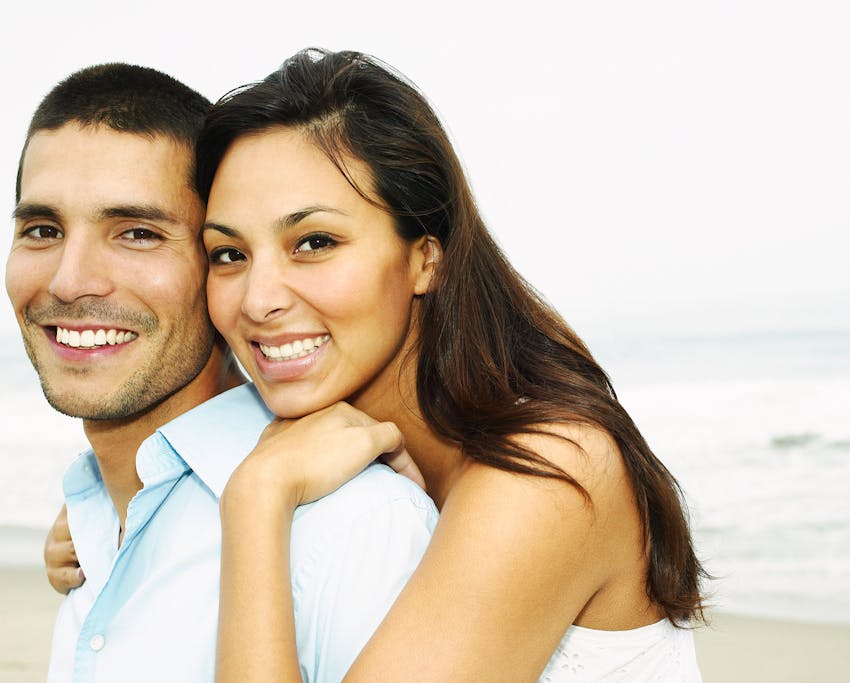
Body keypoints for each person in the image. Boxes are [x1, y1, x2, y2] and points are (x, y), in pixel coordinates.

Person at [192, 48, 707, 681]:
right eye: (228, 254)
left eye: (314, 242)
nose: (258, 300)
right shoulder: (337, 449)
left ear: (426, 258)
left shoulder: (548, 470)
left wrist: (256, 500)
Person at [9, 62, 437, 683]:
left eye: (137, 233)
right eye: (43, 229)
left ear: (211, 268)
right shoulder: (89, 523)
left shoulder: (353, 526)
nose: (69, 281)